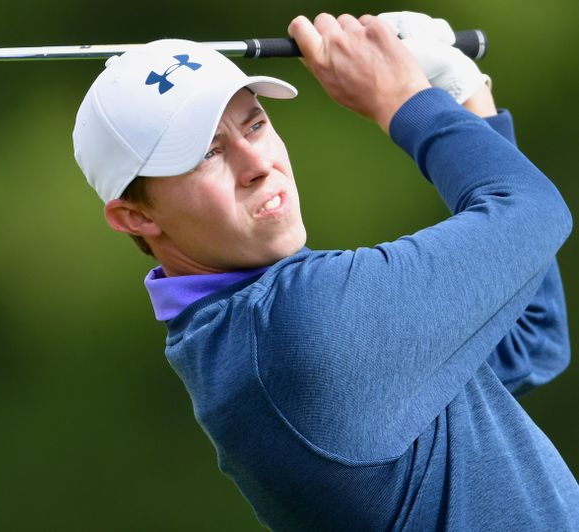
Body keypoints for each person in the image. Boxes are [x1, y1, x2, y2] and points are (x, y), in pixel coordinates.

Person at [72, 11, 578, 531]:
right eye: (207, 154)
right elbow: (533, 210)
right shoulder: (295, 325)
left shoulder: (238, 332)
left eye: (255, 124)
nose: (257, 164)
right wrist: (407, 99)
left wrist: (461, 94)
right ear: (135, 217)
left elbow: (529, 338)